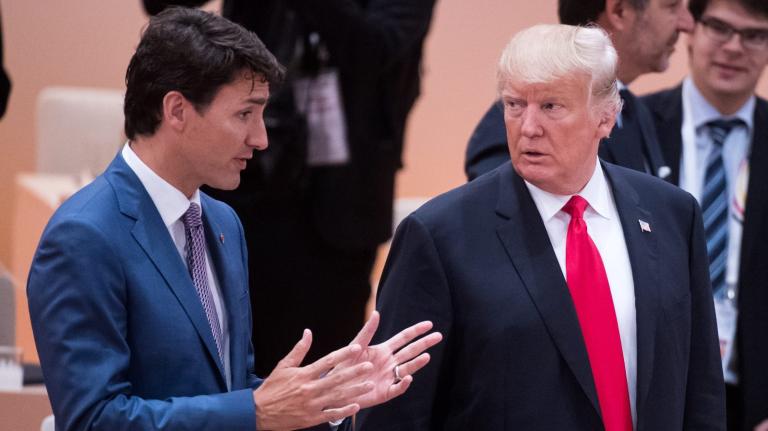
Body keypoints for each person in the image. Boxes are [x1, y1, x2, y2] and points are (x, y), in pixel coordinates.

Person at [26, 8, 441, 431]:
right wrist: (258, 410)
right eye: (245, 114)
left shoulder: (223, 222)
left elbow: (232, 390)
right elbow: (93, 420)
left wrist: (328, 398)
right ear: (177, 110)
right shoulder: (83, 236)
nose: (261, 138)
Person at [356, 24, 725, 430]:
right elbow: (394, 414)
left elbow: (701, 390)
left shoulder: (672, 214)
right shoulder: (438, 237)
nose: (528, 127)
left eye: (551, 106)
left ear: (606, 117)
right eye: (515, 105)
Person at [141, 0, 438, 377]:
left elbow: (375, 52)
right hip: (243, 189)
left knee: (321, 369)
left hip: (340, 207)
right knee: (224, 356)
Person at [642, 1, 768, 429]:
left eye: (754, 35)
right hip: (649, 389)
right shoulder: (631, 126)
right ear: (691, 29)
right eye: (720, 27)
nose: (734, 47)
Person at [464, 0, 694, 181]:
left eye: (550, 107)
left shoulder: (636, 112)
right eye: (672, 6)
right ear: (619, 11)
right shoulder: (514, 130)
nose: (687, 23)